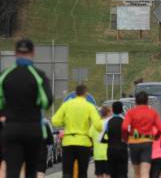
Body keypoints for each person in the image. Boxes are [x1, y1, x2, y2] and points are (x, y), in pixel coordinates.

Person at [0, 39, 52, 178]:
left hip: (11, 128)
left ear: (15, 53)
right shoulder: (38, 75)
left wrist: (4, 112)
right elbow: (47, 101)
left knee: (12, 170)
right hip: (32, 128)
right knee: (31, 170)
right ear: (33, 53)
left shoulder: (4, 75)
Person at [52, 85, 102, 178]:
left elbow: (55, 120)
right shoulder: (89, 106)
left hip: (68, 142)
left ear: (75, 93)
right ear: (85, 93)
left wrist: (65, 122)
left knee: (67, 172)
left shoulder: (67, 105)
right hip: (83, 143)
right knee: (82, 173)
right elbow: (98, 125)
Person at [122, 91, 161, 178]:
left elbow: (124, 128)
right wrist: (155, 137)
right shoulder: (152, 113)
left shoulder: (131, 112)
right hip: (147, 142)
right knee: (145, 171)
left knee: (137, 172)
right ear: (147, 101)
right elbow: (160, 128)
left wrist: (126, 138)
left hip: (133, 142)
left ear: (136, 101)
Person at [101, 101, 128, 178]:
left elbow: (100, 138)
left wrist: (107, 141)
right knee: (123, 173)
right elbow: (130, 136)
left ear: (112, 110)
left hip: (111, 149)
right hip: (123, 149)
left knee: (112, 173)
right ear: (122, 110)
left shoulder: (107, 121)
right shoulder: (125, 120)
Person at [90, 106, 112, 178]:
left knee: (99, 175)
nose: (112, 113)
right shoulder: (110, 123)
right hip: (109, 154)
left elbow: (89, 136)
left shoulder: (94, 125)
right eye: (111, 111)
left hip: (98, 154)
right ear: (108, 113)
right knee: (109, 175)